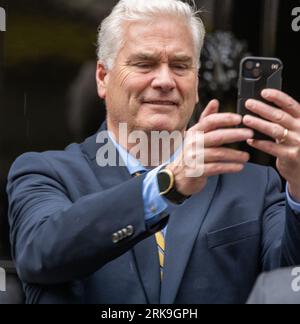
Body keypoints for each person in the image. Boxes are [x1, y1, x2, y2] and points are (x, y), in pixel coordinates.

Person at [6, 0, 300, 304]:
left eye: (181, 66)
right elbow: (41, 253)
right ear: (102, 78)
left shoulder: (256, 184)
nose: (164, 81)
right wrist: (167, 185)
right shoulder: (46, 173)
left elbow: (288, 280)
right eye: (144, 64)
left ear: (196, 82)